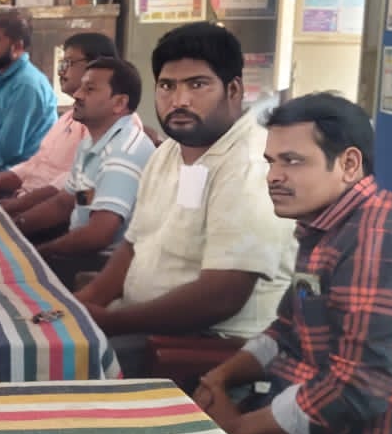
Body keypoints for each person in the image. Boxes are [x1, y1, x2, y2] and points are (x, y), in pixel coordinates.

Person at [192, 93, 392, 434]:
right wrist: (220, 377)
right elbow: (288, 330)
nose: (274, 177)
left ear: (349, 164)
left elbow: (358, 389)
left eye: (293, 161)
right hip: (303, 422)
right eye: (271, 162)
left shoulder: (377, 240)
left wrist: (238, 430)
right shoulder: (326, 228)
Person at [74, 22, 296, 376]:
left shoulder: (251, 165)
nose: (179, 101)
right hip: (138, 326)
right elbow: (133, 246)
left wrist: (110, 322)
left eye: (197, 85)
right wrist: (78, 309)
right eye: (167, 86)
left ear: (234, 90)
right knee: (44, 342)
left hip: (208, 348)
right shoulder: (169, 152)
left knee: (60, 369)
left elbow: (222, 296)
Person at [9, 57, 155, 285]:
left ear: (119, 103)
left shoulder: (123, 152)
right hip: (82, 250)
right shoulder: (91, 143)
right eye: (80, 87)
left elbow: (99, 234)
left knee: (10, 274)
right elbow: (66, 202)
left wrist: (42, 252)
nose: (77, 94)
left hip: (106, 264)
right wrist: (16, 224)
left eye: (89, 89)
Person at [0, 33, 109, 200]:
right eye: (61, 63)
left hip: (42, 207)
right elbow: (36, 164)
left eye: (69, 63)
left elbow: (71, 194)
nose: (61, 71)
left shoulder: (100, 124)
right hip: (23, 197)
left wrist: (16, 207)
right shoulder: (67, 118)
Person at [0, 10, 57, 176]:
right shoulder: (3, 75)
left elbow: (7, 148)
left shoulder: (26, 85)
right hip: (1, 166)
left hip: (22, 173)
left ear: (17, 47)